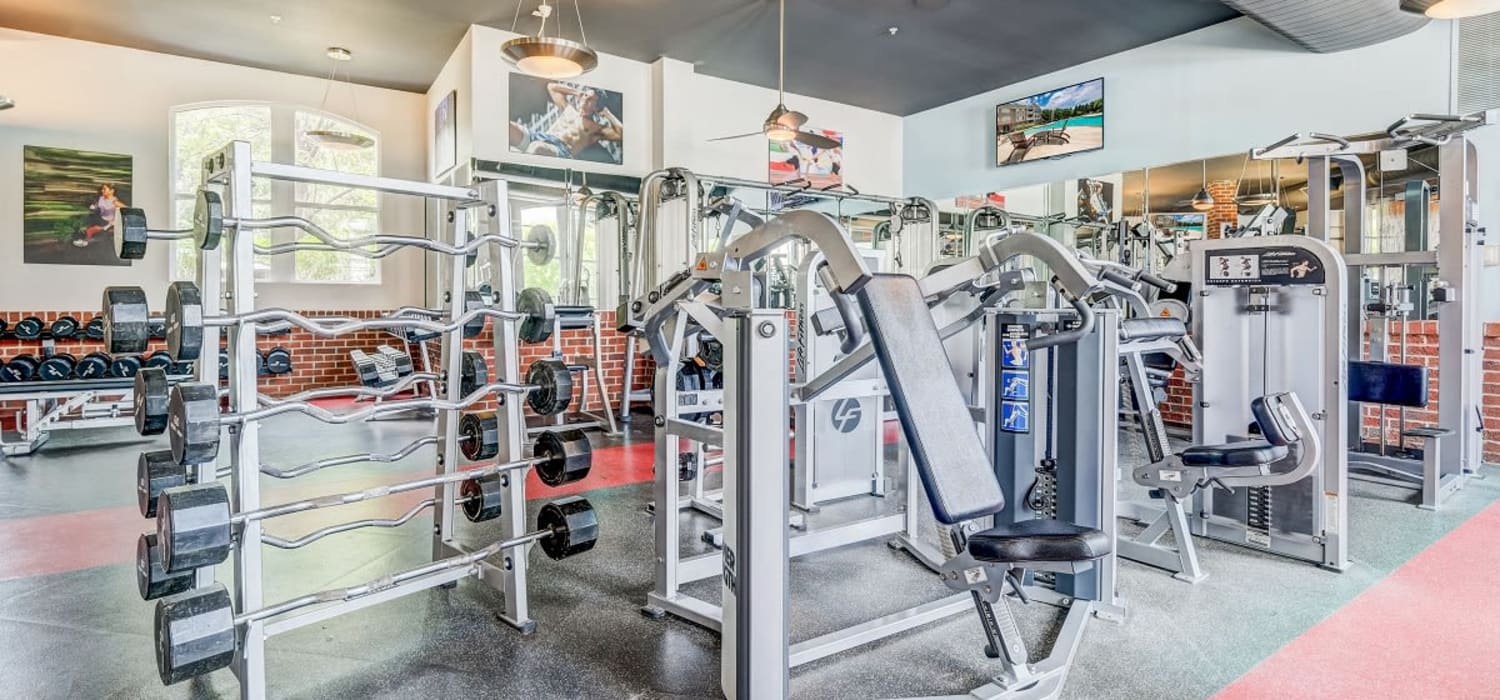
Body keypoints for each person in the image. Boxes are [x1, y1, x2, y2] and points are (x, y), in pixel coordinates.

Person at [508, 83, 623, 162]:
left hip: (560, 150)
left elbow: (620, 135)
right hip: (540, 137)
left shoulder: (594, 128)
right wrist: (576, 92)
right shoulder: (569, 109)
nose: (584, 99)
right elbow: (551, 87)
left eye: (590, 99)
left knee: (536, 147)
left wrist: (607, 113)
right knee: (508, 127)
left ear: (596, 106)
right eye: (585, 96)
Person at [74, 183, 126, 248]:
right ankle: (86, 240)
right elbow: (97, 206)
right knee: (85, 228)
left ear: (112, 191)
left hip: (109, 223)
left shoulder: (115, 202)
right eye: (102, 189)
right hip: (100, 219)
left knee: (92, 230)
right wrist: (94, 207)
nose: (102, 190)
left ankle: (86, 242)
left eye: (104, 189)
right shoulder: (101, 198)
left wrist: (115, 221)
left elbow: (126, 210)